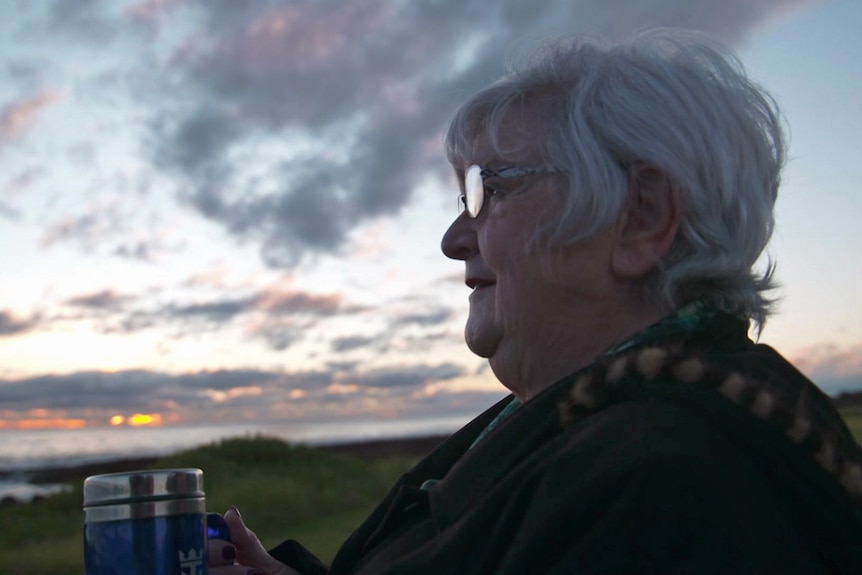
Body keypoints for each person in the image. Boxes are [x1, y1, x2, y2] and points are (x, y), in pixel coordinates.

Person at [208, 29, 862, 574]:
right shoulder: (585, 422)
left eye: (486, 189)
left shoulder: (666, 490)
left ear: (640, 216)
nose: (453, 238)